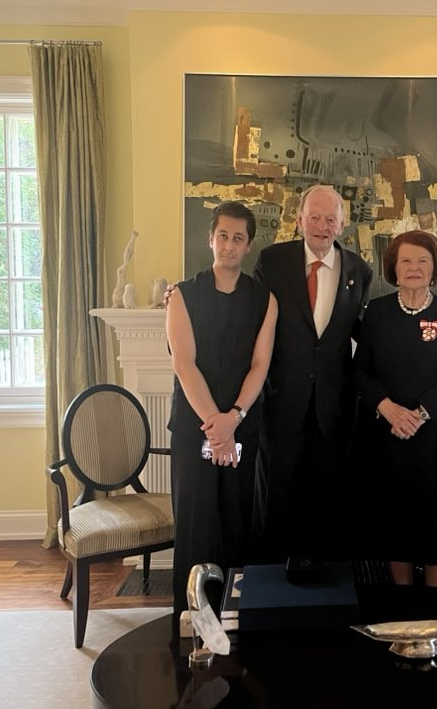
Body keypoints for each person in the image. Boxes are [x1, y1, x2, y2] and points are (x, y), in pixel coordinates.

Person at [165, 201, 278, 629]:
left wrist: (234, 417)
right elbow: (184, 364)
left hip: (242, 428)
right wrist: (217, 425)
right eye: (223, 236)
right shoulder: (182, 295)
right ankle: (190, 619)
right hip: (195, 429)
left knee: (237, 523)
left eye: (238, 238)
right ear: (210, 239)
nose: (229, 245)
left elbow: (260, 365)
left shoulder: (264, 300)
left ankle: (233, 618)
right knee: (195, 524)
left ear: (248, 245)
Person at [253, 184, 373, 560]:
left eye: (330, 219)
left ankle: (325, 580)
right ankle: (273, 580)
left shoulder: (359, 270)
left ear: (342, 224)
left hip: (333, 406)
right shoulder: (272, 261)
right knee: (277, 497)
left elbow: (367, 334)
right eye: (315, 217)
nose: (322, 226)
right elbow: (250, 319)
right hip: (282, 400)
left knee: (328, 499)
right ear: (299, 220)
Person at [353, 230, 437, 586]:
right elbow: (361, 371)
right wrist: (388, 409)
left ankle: (435, 598)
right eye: (406, 260)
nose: (414, 267)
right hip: (389, 434)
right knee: (395, 518)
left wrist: (420, 415)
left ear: (434, 268)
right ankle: (402, 597)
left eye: (422, 260)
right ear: (394, 267)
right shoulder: (377, 312)